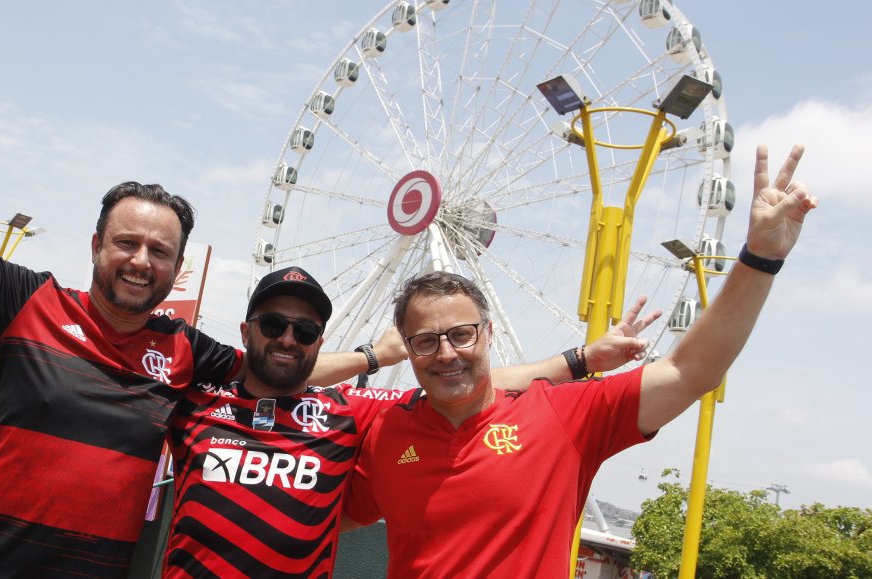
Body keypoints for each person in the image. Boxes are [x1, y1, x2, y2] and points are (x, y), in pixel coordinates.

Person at [0, 0, 399, 577]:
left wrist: (376, 355)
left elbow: (278, 364)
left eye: (159, 251)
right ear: (96, 247)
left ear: (175, 267)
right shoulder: (26, 301)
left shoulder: (182, 350)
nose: (141, 261)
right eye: (127, 243)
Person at [341, 145, 818, 577]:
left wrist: (759, 258)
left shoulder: (561, 416)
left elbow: (689, 371)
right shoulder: (385, 433)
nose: (446, 354)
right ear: (406, 347)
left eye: (461, 335)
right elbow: (332, 514)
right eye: (425, 341)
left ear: (489, 334)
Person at [163, 266, 659, 577]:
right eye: (273, 325)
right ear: (249, 330)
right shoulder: (192, 403)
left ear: (318, 341)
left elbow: (467, 379)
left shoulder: (350, 412)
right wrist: (372, 355)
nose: (289, 339)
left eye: (306, 330)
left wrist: (581, 358)